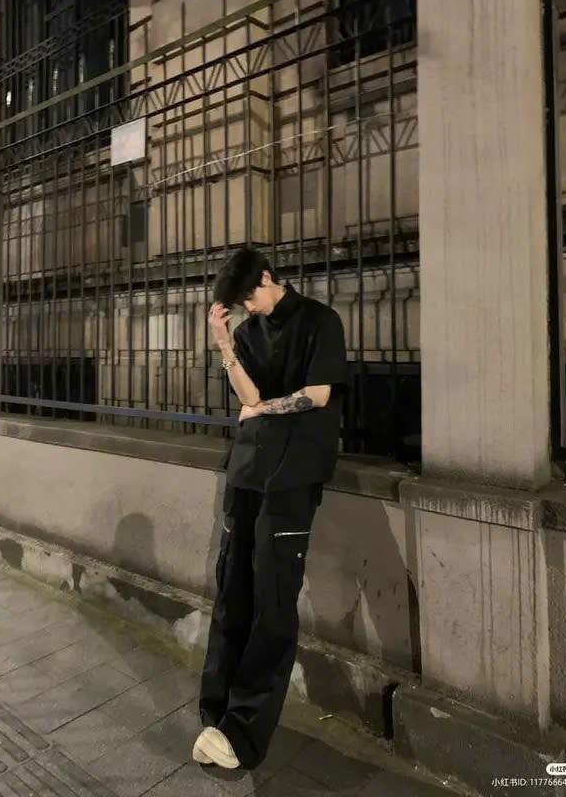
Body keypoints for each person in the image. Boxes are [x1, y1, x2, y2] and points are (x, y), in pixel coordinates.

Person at [192, 246, 348, 770]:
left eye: (248, 297)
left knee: (273, 601)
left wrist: (261, 410)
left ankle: (243, 734)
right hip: (247, 471)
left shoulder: (320, 321)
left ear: (266, 276)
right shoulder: (245, 332)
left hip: (293, 475)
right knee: (232, 590)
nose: (247, 307)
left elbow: (317, 395)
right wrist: (223, 343)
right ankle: (215, 715)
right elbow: (247, 395)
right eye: (238, 303)